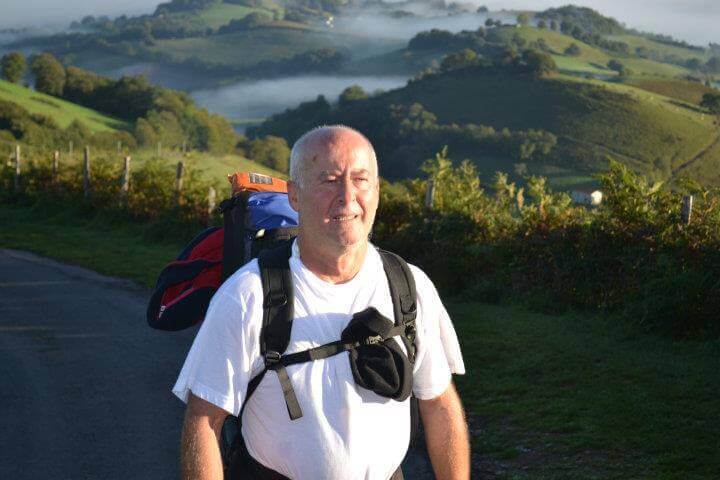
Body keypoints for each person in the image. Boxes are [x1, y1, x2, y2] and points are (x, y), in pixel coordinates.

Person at [173, 125, 470, 480]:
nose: (347, 196)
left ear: (376, 191)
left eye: (360, 179)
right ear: (294, 196)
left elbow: (438, 403)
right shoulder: (247, 295)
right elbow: (204, 419)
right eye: (329, 180)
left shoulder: (408, 286)